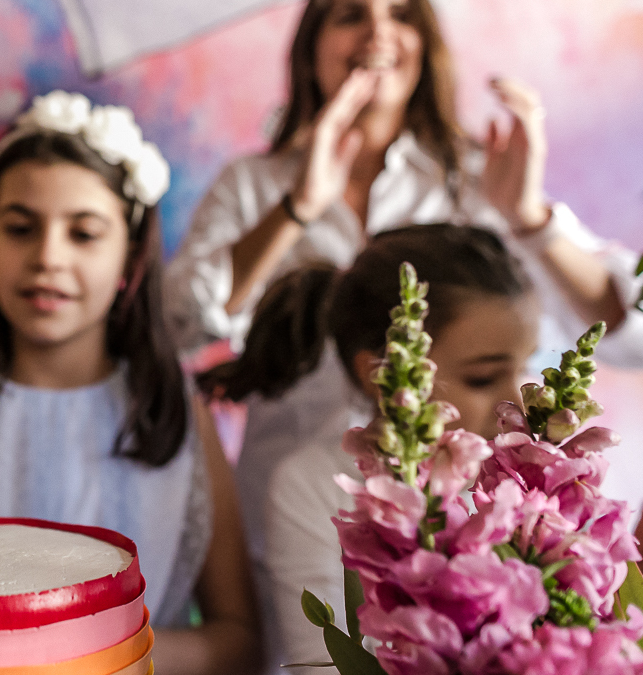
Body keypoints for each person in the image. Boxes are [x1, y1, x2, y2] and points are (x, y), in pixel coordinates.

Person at [0, 91, 262, 675]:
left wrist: (108, 658)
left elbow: (239, 641)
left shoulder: (175, 421)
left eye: (83, 234)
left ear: (129, 258)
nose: (48, 257)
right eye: (21, 228)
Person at [163, 0, 643, 366]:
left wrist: (528, 219)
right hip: (295, 470)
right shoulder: (251, 184)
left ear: (425, 45)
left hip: (448, 469)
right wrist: (296, 209)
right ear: (311, 52)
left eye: (400, 15)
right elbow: (178, 327)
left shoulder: (478, 180)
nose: (378, 31)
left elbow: (631, 338)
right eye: (351, 15)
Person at [199, 224, 539, 671]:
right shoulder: (316, 485)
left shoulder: (531, 481)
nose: (518, 403)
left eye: (526, 367)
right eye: (482, 378)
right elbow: (320, 663)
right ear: (382, 376)